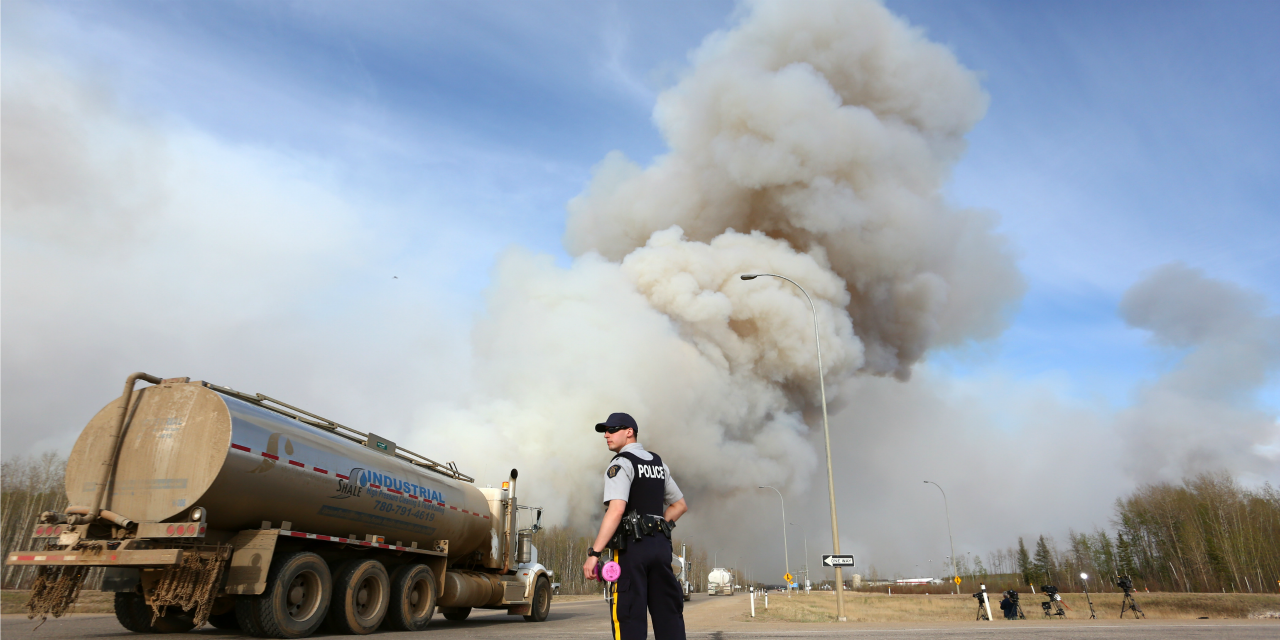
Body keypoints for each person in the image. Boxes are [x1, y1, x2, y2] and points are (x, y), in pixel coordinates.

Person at [581, 412, 688, 640]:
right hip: (661, 549)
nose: (606, 435)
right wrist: (658, 526)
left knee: (628, 614)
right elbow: (679, 505)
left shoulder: (621, 464)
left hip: (632, 550)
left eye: (612, 430)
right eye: (605, 431)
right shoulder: (659, 464)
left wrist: (594, 553)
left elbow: (617, 510)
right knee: (668, 613)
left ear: (629, 431)